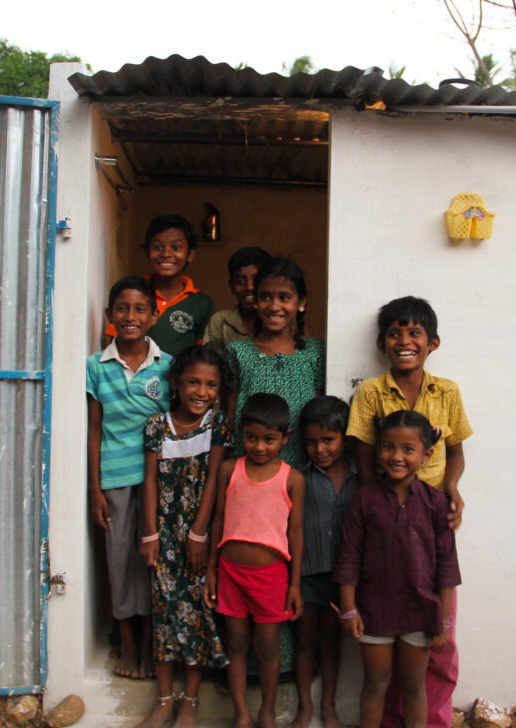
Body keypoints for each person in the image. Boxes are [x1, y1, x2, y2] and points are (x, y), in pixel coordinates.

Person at [346, 296, 471, 728]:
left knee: (434, 634)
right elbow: (362, 461)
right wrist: (377, 511)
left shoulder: (448, 391)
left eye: (415, 333)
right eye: (396, 333)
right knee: (386, 628)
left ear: (432, 342)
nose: (405, 341)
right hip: (385, 518)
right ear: (382, 343)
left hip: (433, 520)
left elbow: (456, 454)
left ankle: (433, 720)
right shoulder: (370, 393)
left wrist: (451, 488)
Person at [335, 411, 459, 728]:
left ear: (426, 454)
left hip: (420, 611)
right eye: (388, 447)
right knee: (376, 683)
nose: (397, 457)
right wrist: (348, 609)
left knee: (413, 685)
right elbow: (349, 555)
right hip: (374, 609)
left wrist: (443, 620)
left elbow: (446, 563)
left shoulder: (435, 503)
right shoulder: (365, 501)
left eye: (408, 449)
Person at [138, 345, 232, 728]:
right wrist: (149, 535)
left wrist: (199, 534)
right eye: (193, 381)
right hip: (163, 537)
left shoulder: (218, 424)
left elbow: (214, 480)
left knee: (195, 615)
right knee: (163, 613)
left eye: (211, 385)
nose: (202, 391)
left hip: (198, 537)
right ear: (176, 383)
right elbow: (149, 482)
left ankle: (189, 702)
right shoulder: (156, 426)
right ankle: (164, 701)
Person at [87, 275, 171, 681]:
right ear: (109, 316)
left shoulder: (168, 366)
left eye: (140, 309)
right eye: (122, 308)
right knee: (118, 560)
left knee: (153, 561)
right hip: (115, 479)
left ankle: (154, 643)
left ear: (154, 316)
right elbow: (94, 428)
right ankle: (128, 643)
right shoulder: (95, 366)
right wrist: (95, 488)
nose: (130, 316)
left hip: (160, 480)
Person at [204, 393, 305, 728]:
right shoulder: (230, 470)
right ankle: (241, 713)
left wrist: (294, 584)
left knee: (267, 648)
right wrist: (212, 571)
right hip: (231, 574)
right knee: (235, 643)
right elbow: (218, 521)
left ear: (285, 438)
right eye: (251, 438)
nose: (259, 446)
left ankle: (266, 711)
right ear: (240, 433)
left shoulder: (292, 479)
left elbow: (296, 535)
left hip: (272, 577)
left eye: (269, 439)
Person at [291, 396, 359, 728]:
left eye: (328, 440)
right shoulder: (299, 478)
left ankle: (328, 707)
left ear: (345, 438)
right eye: (312, 442)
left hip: (341, 579)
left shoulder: (360, 480)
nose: (320, 449)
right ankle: (304, 707)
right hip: (305, 575)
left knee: (331, 644)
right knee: (304, 642)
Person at [225, 257, 325, 469]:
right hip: (250, 468)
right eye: (265, 297)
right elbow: (231, 420)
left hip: (300, 469)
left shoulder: (314, 352)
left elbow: (317, 416)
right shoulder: (239, 352)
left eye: (284, 297)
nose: (274, 306)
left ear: (301, 302)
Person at [103, 215, 215, 356]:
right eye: (158, 247)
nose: (166, 254)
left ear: (190, 254)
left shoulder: (201, 303)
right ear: (147, 252)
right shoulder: (131, 294)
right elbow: (113, 343)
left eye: (175, 247)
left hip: (179, 377)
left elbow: (203, 356)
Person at [202, 246, 272, 353]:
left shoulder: (282, 320)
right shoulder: (220, 322)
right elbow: (209, 365)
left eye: (256, 280)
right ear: (232, 286)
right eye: (240, 281)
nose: (249, 287)